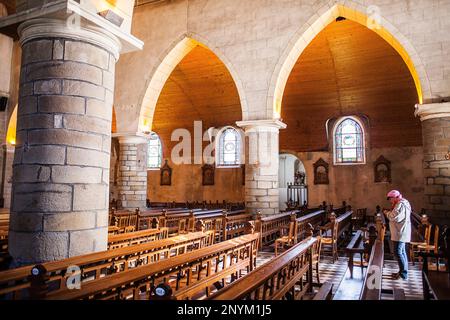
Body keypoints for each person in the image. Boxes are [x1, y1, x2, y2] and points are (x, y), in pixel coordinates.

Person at [383, 190, 412, 280]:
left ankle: (403, 274)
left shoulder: (400, 204)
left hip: (400, 232)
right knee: (402, 252)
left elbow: (393, 217)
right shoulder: (404, 202)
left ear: (395, 197)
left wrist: (386, 213)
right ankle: (402, 272)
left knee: (398, 252)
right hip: (401, 231)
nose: (390, 201)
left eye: (390, 198)